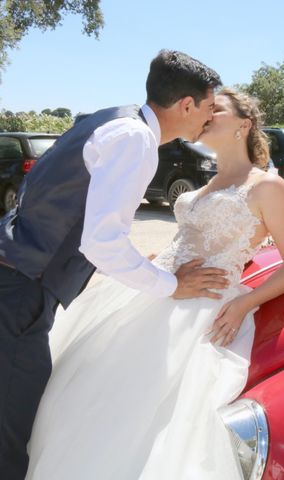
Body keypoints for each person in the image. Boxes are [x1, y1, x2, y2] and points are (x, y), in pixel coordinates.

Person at [25, 88, 284, 479]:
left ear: (244, 125)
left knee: (150, 413)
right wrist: (151, 266)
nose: (207, 114)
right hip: (156, 292)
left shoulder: (266, 187)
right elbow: (183, 242)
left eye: (217, 109)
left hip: (203, 308)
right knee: (93, 392)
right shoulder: (205, 184)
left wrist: (245, 303)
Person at [0, 50, 227, 479]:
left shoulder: (111, 120)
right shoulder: (136, 140)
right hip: (20, 292)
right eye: (208, 108)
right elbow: (103, 243)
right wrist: (170, 285)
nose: (209, 119)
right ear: (185, 105)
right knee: (12, 430)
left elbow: (74, 212)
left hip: (16, 275)